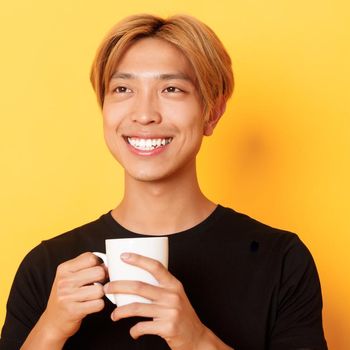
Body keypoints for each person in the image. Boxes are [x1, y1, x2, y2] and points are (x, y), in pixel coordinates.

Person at [0, 14, 327, 350]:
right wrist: (50, 330)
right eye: (123, 89)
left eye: (171, 89)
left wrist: (197, 340)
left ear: (211, 113)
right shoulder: (47, 268)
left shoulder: (281, 261)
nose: (144, 114)